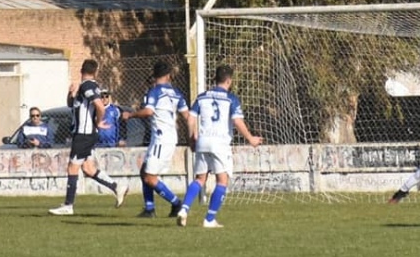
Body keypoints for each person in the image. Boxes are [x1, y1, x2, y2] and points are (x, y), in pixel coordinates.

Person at [177, 65, 263, 228]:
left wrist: (192, 139)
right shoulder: (231, 99)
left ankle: (184, 209)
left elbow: (190, 119)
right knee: (222, 181)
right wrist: (250, 138)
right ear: (229, 81)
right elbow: (237, 121)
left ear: (214, 79)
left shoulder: (202, 97)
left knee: (200, 179)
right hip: (220, 143)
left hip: (203, 141)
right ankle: (209, 219)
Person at [49, 59, 128, 215]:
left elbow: (99, 106)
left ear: (81, 70)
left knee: (72, 167)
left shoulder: (88, 86)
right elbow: (73, 105)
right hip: (85, 134)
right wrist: (70, 94)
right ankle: (117, 187)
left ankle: (68, 205)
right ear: (96, 71)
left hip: (83, 135)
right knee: (88, 168)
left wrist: (98, 122)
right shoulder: (84, 87)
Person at [123, 60, 190, 218]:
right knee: (144, 171)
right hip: (167, 137)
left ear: (155, 76)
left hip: (161, 139)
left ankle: (176, 203)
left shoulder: (154, 92)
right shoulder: (176, 93)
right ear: (168, 76)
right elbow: (187, 116)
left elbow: (148, 111)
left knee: (150, 177)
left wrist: (130, 115)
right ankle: (149, 208)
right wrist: (193, 134)